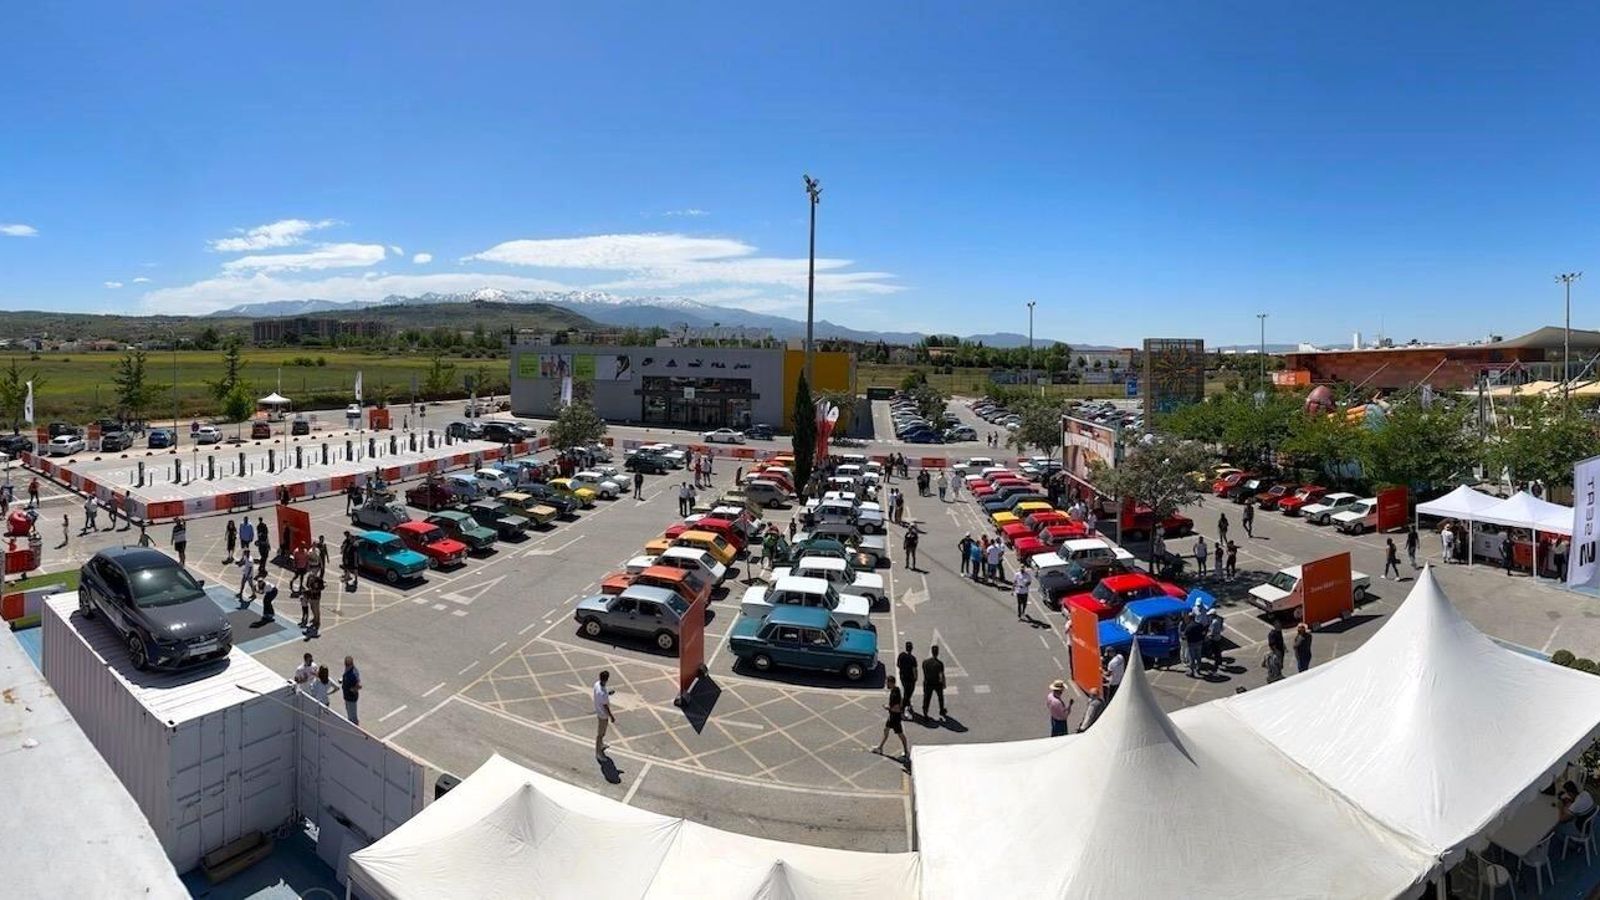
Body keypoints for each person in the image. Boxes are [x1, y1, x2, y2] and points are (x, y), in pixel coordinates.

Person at [872, 675, 910, 760]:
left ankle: (906, 752)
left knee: (900, 734)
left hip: (894, 716)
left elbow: (896, 707)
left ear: (891, 683)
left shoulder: (895, 694)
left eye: (887, 683)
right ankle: (880, 747)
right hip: (893, 716)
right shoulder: (896, 690)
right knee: (886, 730)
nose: (886, 684)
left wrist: (887, 707)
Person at [593, 670, 616, 761]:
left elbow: (601, 695)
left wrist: (608, 693)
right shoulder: (602, 693)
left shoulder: (597, 684)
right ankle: (598, 753)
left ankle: (601, 745)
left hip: (599, 711)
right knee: (600, 734)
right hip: (602, 715)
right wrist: (611, 716)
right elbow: (605, 706)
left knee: (602, 733)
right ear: (606, 679)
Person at [921, 645, 947, 720]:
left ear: (932, 652)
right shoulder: (940, 664)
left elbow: (924, 671)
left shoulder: (925, 662)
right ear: (937, 653)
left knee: (926, 698)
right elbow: (941, 675)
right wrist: (943, 684)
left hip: (927, 682)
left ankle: (925, 712)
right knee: (940, 697)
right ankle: (941, 710)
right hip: (937, 683)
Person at [896, 642, 919, 720]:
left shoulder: (901, 655)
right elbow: (914, 669)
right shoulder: (913, 658)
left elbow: (898, 665)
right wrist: (915, 678)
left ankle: (908, 704)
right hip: (910, 679)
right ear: (912, 648)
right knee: (908, 693)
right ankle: (902, 709)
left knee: (906, 690)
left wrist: (903, 670)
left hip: (903, 677)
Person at [1183, 612, 1207, 677]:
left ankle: (1192, 671)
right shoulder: (1199, 625)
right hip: (1199, 643)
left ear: (1190, 618)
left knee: (1192, 658)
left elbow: (1184, 636)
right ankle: (1198, 669)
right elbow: (1204, 633)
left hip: (1191, 644)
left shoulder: (1188, 627)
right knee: (1198, 657)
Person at [341, 656, 362, 725]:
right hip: (347, 696)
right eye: (346, 664)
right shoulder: (348, 670)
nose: (346, 666)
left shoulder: (353, 674)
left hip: (351, 698)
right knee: (349, 713)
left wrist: (352, 689)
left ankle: (355, 728)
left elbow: (359, 686)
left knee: (352, 716)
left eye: (347, 665)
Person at [1205, 607, 1227, 673]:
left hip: (1214, 638)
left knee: (1216, 651)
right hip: (1218, 637)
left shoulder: (1214, 622)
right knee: (1218, 651)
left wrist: (1207, 636)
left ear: (1213, 615)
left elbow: (1212, 632)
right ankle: (1219, 661)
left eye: (1210, 615)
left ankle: (1217, 663)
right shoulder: (1219, 619)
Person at [303, 570, 323, 636]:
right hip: (311, 596)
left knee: (316, 609)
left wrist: (315, 590)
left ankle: (317, 621)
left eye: (311, 577)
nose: (310, 579)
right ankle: (315, 619)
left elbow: (321, 587)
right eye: (309, 577)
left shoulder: (318, 580)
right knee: (312, 608)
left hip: (316, 597)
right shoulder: (309, 580)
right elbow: (307, 586)